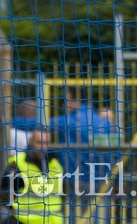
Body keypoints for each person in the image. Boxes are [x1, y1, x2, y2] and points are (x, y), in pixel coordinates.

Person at [50, 87, 116, 222]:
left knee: (75, 216)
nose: (66, 104)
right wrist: (117, 180)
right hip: (102, 179)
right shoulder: (107, 124)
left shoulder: (67, 122)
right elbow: (116, 154)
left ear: (75, 100)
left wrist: (7, 120)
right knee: (99, 216)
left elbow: (35, 124)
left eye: (67, 100)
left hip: (76, 179)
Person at [1, 128, 66, 224]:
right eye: (39, 142)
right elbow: (5, 194)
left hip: (53, 221)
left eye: (46, 143)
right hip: (25, 221)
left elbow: (63, 192)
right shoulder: (17, 163)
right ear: (30, 142)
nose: (43, 147)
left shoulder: (56, 164)